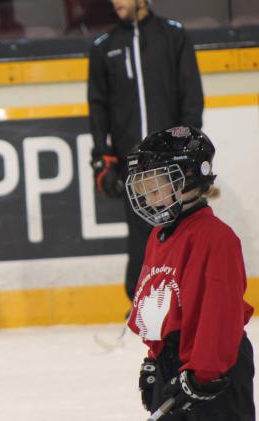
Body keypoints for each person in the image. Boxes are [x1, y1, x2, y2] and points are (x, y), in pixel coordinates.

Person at [125, 126, 255, 420]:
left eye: (154, 186)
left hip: (214, 373)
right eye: (142, 187)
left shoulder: (215, 238)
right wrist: (153, 361)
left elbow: (220, 316)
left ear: (187, 180)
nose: (146, 196)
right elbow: (161, 310)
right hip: (176, 366)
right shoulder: (160, 235)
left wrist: (203, 375)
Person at [87, 0, 204, 302]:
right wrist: (103, 157)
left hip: (174, 158)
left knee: (183, 228)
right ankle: (142, 303)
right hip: (133, 162)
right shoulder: (104, 46)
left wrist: (188, 146)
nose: (116, 3)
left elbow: (191, 95)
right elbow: (97, 107)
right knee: (141, 235)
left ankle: (185, 298)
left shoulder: (173, 36)